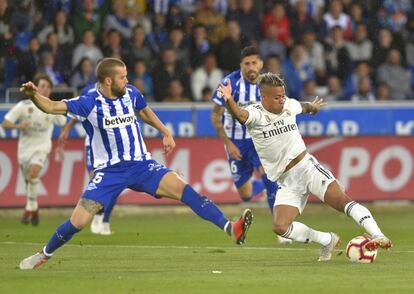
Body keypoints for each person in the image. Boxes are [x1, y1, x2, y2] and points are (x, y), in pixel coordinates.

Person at [18, 57, 253, 270]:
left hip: (142, 166)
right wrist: (33, 95)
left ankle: (231, 228)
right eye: (123, 77)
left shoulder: (130, 93)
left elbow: (144, 111)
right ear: (109, 80)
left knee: (184, 189)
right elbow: (51, 106)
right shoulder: (89, 103)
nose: (127, 80)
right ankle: (44, 254)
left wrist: (164, 131)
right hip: (109, 173)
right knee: (77, 222)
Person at [219, 72, 392, 261]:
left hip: (307, 168)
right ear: (264, 96)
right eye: (277, 97)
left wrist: (313, 107)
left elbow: (304, 106)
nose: (281, 100)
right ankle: (327, 240)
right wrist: (228, 99)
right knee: (280, 227)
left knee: (343, 202)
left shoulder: (289, 105)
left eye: (283, 95)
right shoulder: (256, 114)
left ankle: (377, 235)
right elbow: (240, 115)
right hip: (286, 181)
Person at [211, 46, 290, 245]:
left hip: (261, 140)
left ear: (261, 64)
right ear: (241, 65)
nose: (251, 67)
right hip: (236, 142)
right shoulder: (229, 83)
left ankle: (281, 230)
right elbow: (215, 115)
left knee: (270, 178)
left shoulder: (269, 84)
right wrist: (228, 143)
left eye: (254, 63)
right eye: (247, 63)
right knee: (245, 195)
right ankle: (262, 188)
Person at [2, 73, 67, 226]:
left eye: (48, 87)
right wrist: (19, 126)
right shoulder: (24, 106)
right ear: (36, 87)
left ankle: (28, 209)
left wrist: (61, 146)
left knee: (33, 173)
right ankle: (34, 207)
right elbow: (5, 123)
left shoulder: (52, 108)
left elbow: (64, 124)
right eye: (42, 86)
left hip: (42, 146)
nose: (45, 89)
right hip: (24, 148)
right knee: (29, 181)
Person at [57, 83, 115, 235]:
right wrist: (66, 130)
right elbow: (79, 111)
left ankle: (104, 219)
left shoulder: (121, 90)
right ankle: (99, 217)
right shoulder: (88, 91)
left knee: (115, 184)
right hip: (94, 145)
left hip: (113, 146)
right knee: (97, 181)